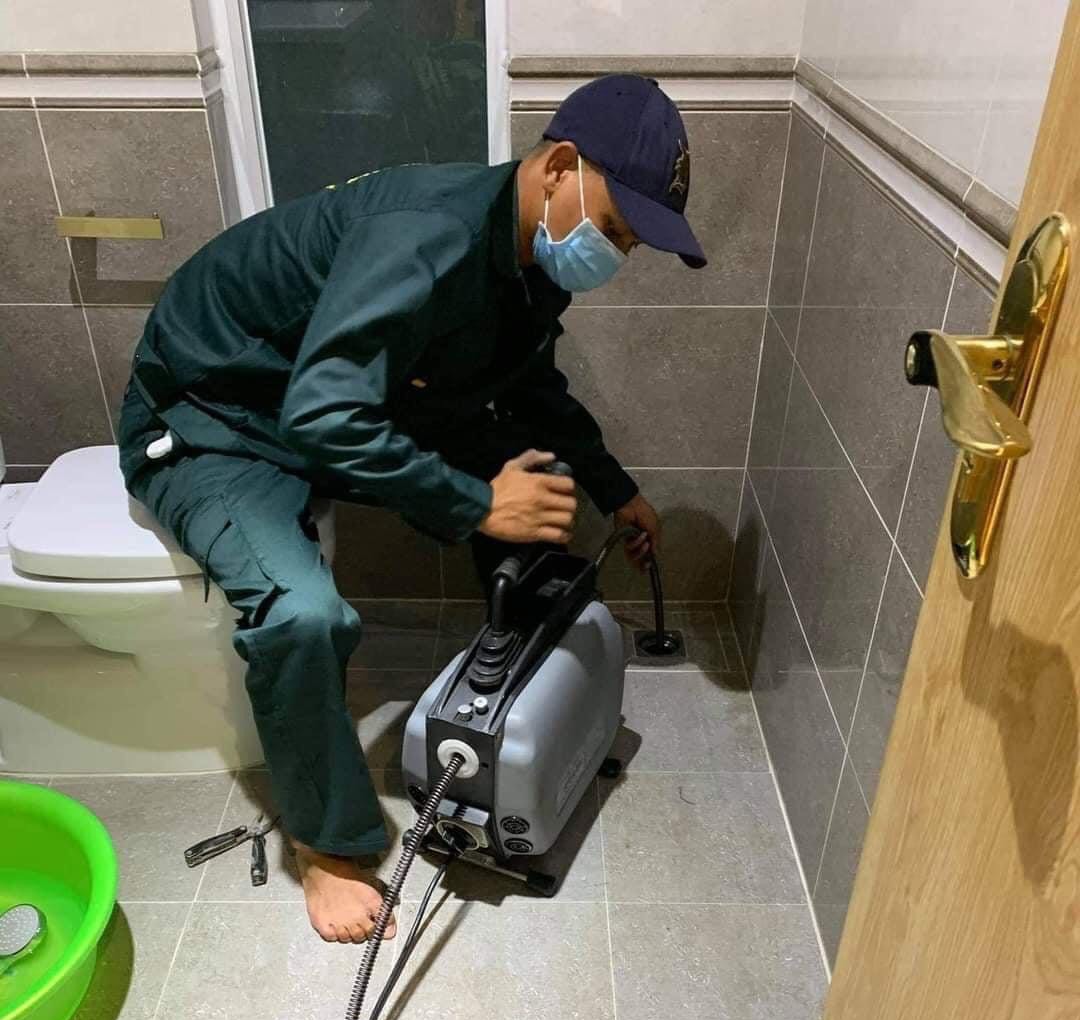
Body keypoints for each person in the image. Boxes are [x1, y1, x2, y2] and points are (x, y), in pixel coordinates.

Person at [118, 73, 707, 943]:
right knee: (302, 616)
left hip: (308, 400)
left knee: (529, 469)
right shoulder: (426, 238)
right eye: (616, 227)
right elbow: (322, 417)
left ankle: (516, 670)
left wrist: (615, 489)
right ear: (559, 168)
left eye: (628, 243)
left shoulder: (525, 254)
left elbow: (528, 386)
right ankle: (325, 850)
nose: (615, 254)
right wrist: (476, 504)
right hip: (213, 419)